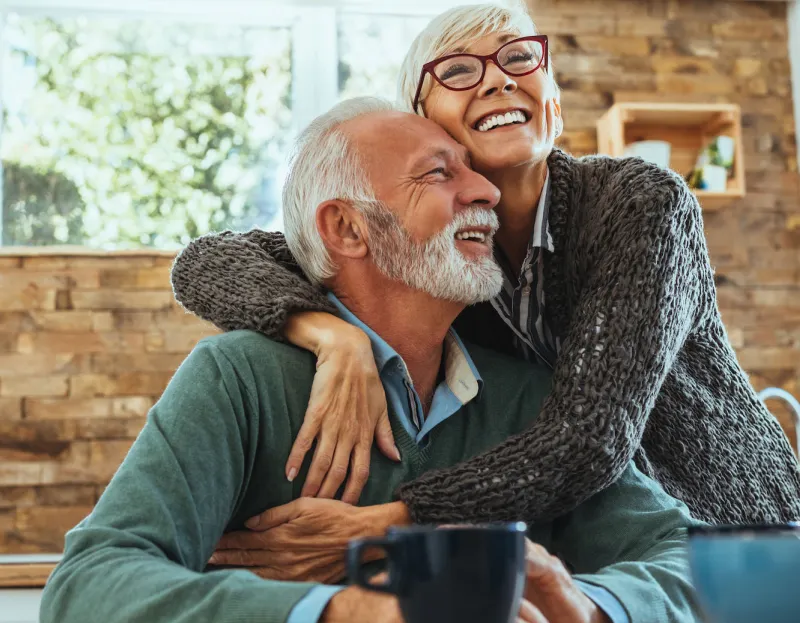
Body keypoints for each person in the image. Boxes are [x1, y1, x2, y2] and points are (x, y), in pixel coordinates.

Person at [40, 99, 707, 623]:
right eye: (440, 174)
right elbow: (89, 589)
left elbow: (696, 563)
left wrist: (589, 609)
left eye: (473, 171)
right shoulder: (238, 378)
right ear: (347, 228)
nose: (486, 192)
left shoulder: (530, 399)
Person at [170, 2, 800, 530]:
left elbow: (590, 439)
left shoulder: (641, 204)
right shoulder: (433, 250)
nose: (498, 80)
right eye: (460, 70)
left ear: (551, 98)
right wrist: (329, 335)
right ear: (422, 120)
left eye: (519, 57)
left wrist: (389, 523)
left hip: (738, 532)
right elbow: (208, 261)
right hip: (595, 546)